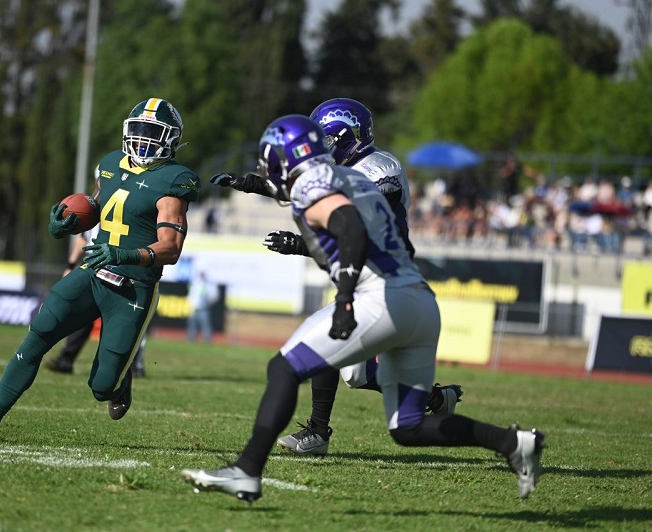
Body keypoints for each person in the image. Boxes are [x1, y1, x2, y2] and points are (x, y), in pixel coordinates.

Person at [182, 114, 544, 502]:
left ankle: (247, 471)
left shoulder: (318, 183)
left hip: (380, 296)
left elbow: (348, 225)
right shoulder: (349, 178)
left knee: (283, 368)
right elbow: (302, 193)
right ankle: (513, 442)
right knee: (407, 428)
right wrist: (248, 184)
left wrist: (344, 297)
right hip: (419, 303)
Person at [210, 98, 462, 456]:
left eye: (326, 142)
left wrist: (300, 243)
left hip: (386, 278)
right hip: (364, 277)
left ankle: (316, 433)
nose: (319, 152)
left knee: (324, 347)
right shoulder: (346, 170)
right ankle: (437, 398)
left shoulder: (379, 167)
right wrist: (251, 183)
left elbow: (352, 227)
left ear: (349, 138)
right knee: (356, 375)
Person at [0, 97, 200, 440]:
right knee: (39, 333)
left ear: (171, 139)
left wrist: (123, 255)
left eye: (153, 132)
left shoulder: (175, 180)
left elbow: (170, 248)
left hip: (133, 287)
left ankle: (118, 381)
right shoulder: (111, 163)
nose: (145, 139)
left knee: (101, 386)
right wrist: (67, 225)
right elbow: (97, 208)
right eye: (140, 131)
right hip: (92, 272)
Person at [45, 223, 147, 378]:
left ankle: (132, 366)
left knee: (123, 320)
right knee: (81, 315)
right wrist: (71, 264)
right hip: (93, 267)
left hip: (120, 269)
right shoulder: (98, 204)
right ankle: (66, 359)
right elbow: (84, 238)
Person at [186, 270, 219, 343]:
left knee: (205, 326)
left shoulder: (209, 285)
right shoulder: (195, 283)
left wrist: (207, 302)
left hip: (204, 309)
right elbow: (191, 294)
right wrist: (190, 303)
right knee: (192, 326)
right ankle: (190, 341)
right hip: (193, 309)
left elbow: (214, 296)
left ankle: (207, 341)